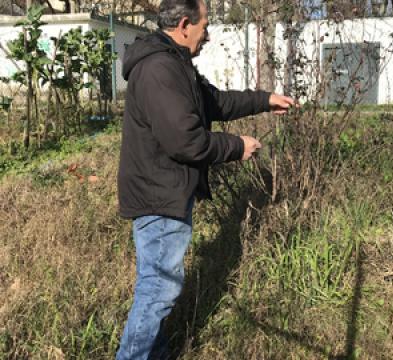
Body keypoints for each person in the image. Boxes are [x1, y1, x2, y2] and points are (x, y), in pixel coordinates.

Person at [116, 0, 295, 358]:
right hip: (159, 194)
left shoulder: (173, 62)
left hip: (164, 189)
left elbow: (212, 102)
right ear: (185, 24)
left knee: (158, 289)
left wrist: (264, 99)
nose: (207, 35)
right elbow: (186, 140)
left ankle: (156, 353)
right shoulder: (160, 69)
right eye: (204, 26)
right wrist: (235, 146)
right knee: (157, 291)